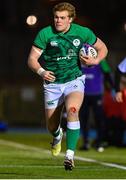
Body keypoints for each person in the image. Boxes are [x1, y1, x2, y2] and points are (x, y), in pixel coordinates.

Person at [27, 2, 108, 170]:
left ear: (70, 19)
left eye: (63, 18)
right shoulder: (45, 34)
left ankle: (70, 155)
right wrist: (41, 72)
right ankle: (57, 136)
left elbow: (103, 48)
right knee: (51, 126)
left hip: (74, 80)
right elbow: (31, 60)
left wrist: (96, 60)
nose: (58, 21)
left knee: (73, 110)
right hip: (52, 84)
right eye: (56, 17)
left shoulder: (83, 32)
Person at [79, 59, 114, 151]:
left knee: (99, 119)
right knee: (84, 119)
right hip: (82, 94)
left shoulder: (100, 59)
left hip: (97, 94)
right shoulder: (78, 58)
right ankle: (86, 142)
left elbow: (108, 73)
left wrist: (114, 88)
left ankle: (99, 142)